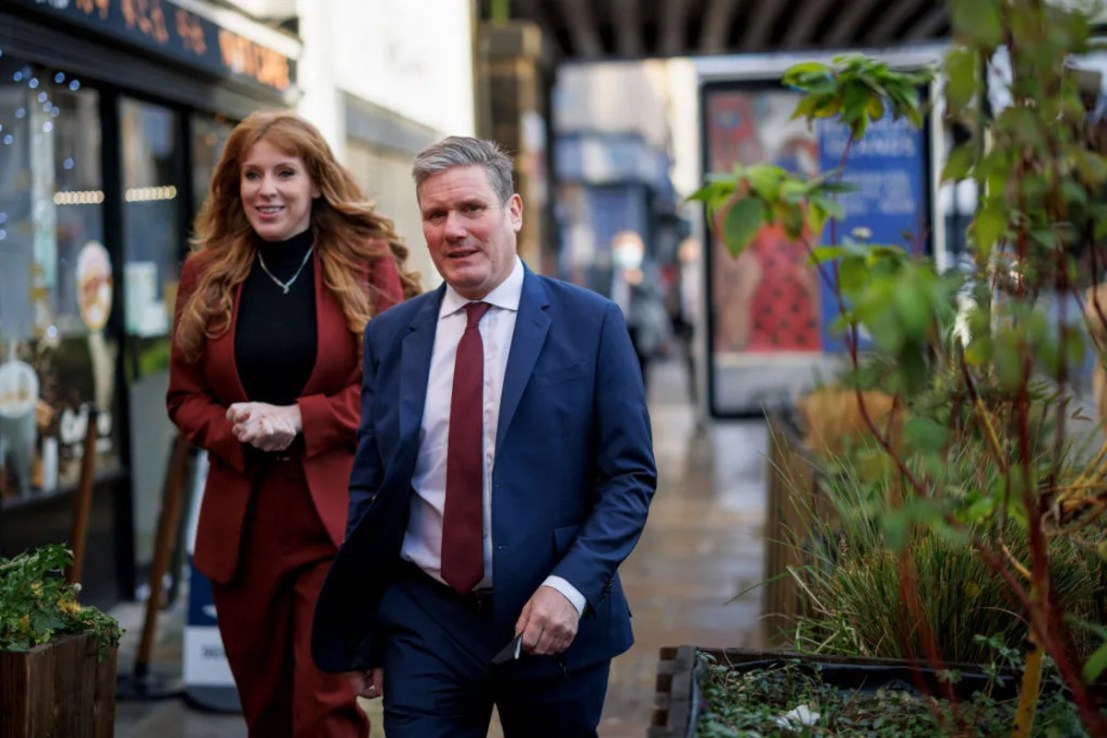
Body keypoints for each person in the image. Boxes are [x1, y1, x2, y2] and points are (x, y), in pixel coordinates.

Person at [311, 136, 657, 737]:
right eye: (436, 215)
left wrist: (571, 588)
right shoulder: (392, 336)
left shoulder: (591, 323)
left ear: (513, 211)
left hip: (550, 618)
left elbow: (630, 478)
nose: (453, 230)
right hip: (426, 619)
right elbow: (370, 484)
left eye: (472, 209)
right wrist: (366, 621)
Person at [167, 110, 419, 738]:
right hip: (242, 529)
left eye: (285, 172)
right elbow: (182, 397)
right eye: (252, 174)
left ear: (315, 181)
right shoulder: (206, 274)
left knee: (326, 712)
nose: (267, 188)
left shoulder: (365, 260)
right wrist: (236, 429)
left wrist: (299, 419)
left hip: (335, 523)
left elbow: (391, 393)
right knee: (266, 712)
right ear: (234, 185)